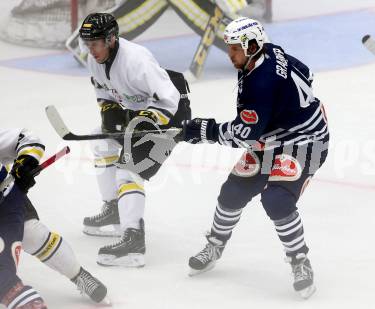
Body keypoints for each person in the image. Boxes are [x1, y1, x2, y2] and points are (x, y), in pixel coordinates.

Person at [181, 17, 329, 299]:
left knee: (276, 199)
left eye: (235, 49)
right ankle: (215, 244)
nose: (230, 54)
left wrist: (205, 130)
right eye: (230, 48)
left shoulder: (261, 82)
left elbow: (243, 136)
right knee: (232, 192)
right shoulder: (268, 52)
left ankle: (300, 261)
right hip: (273, 136)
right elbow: (305, 73)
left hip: (306, 142)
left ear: (252, 45)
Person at [78, 13, 191, 267]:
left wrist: (140, 122)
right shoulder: (94, 58)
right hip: (138, 112)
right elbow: (104, 92)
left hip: (171, 116)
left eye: (95, 43)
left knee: (128, 170)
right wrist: (110, 116)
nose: (91, 50)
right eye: (87, 44)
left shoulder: (136, 60)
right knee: (101, 141)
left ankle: (133, 239)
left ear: (111, 38)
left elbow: (169, 100)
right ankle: (115, 209)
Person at [0, 128, 107, 309]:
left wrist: (25, 162)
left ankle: (77, 274)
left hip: (8, 196)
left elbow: (28, 138)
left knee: (33, 235)